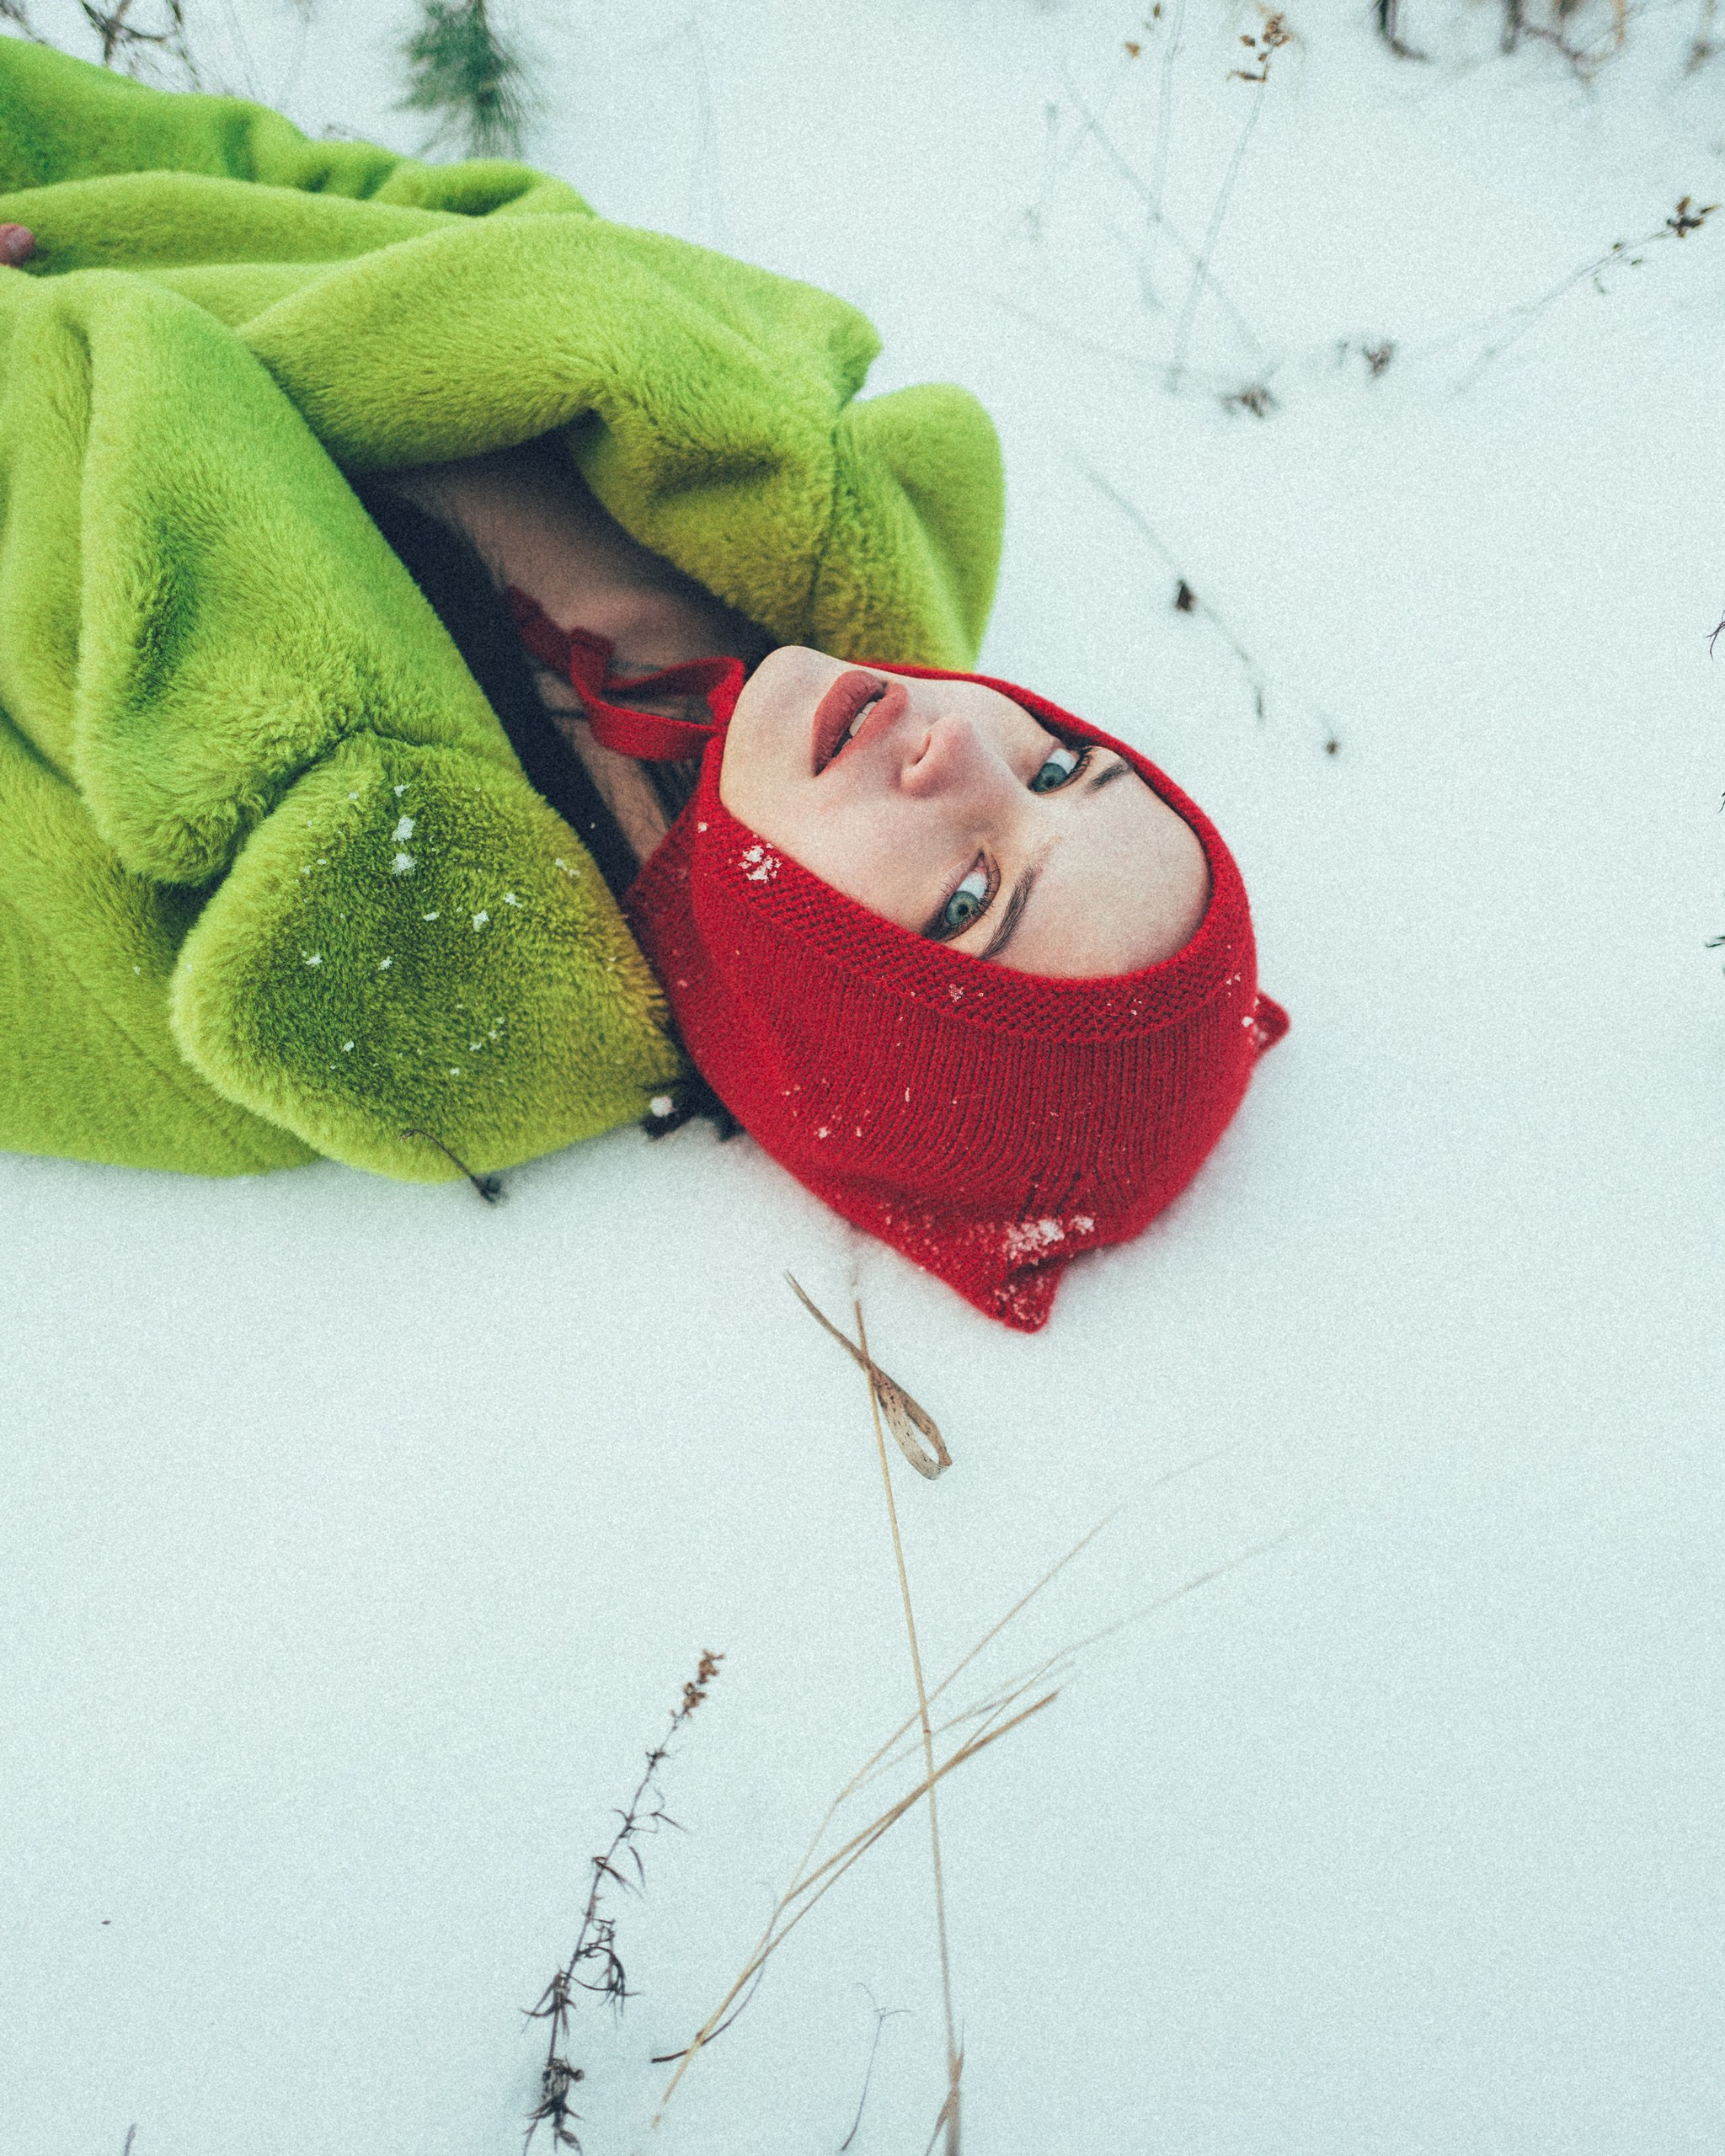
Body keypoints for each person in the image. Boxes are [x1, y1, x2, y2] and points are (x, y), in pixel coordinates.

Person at [0, 40, 1283, 1328]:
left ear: (836, 1033)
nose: (964, 758)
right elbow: (360, 210)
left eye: (967, 895)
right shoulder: (786, 491)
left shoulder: (356, 984)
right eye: (1060, 767)